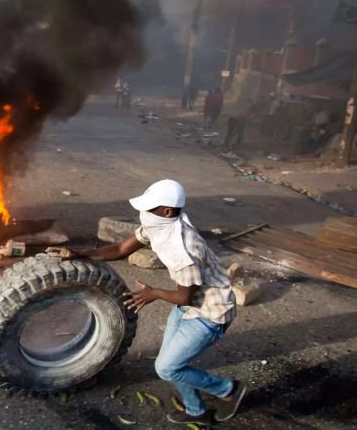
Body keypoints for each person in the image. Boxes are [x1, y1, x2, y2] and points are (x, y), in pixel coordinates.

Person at [48, 179, 244, 426]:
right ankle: (197, 411)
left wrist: (154, 293)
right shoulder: (158, 224)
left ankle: (229, 389)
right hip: (188, 306)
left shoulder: (184, 247)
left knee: (167, 368)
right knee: (174, 364)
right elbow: (120, 249)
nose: (143, 213)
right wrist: (81, 253)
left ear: (167, 211)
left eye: (149, 208)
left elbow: (186, 296)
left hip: (210, 313)